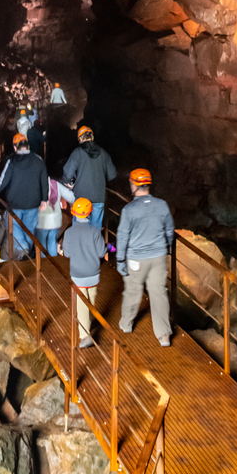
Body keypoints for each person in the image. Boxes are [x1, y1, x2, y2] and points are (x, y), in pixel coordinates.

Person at [117, 168, 174, 347]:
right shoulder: (162, 205)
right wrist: (165, 245)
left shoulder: (129, 210)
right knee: (159, 293)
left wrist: (120, 259)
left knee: (133, 291)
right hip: (158, 257)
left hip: (136, 259)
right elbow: (169, 230)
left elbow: (122, 236)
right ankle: (163, 335)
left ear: (133, 185)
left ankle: (126, 325)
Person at [0, 132, 47, 259]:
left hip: (15, 203)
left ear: (15, 147)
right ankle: (26, 255)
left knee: (13, 225)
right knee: (29, 229)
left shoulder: (12, 161)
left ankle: (23, 248)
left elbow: (1, 182)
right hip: (33, 203)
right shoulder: (38, 159)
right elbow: (44, 181)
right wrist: (44, 200)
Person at [60, 197, 107, 349]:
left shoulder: (69, 232)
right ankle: (89, 320)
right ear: (89, 213)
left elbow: (67, 253)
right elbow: (101, 252)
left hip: (78, 274)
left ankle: (85, 336)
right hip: (93, 273)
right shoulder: (95, 231)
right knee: (91, 299)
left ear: (74, 213)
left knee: (81, 304)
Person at [62, 125, 116, 230]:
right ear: (92, 137)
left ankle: (78, 240)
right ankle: (94, 240)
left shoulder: (77, 153)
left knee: (78, 228)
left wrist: (69, 183)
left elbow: (67, 174)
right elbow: (112, 174)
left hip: (81, 197)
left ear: (80, 138)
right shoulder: (104, 154)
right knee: (95, 230)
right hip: (98, 197)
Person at [36, 176, 75, 256]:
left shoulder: (36, 184)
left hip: (42, 220)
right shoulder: (55, 184)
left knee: (42, 243)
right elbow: (71, 197)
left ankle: (43, 262)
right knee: (53, 241)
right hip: (55, 219)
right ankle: (53, 260)